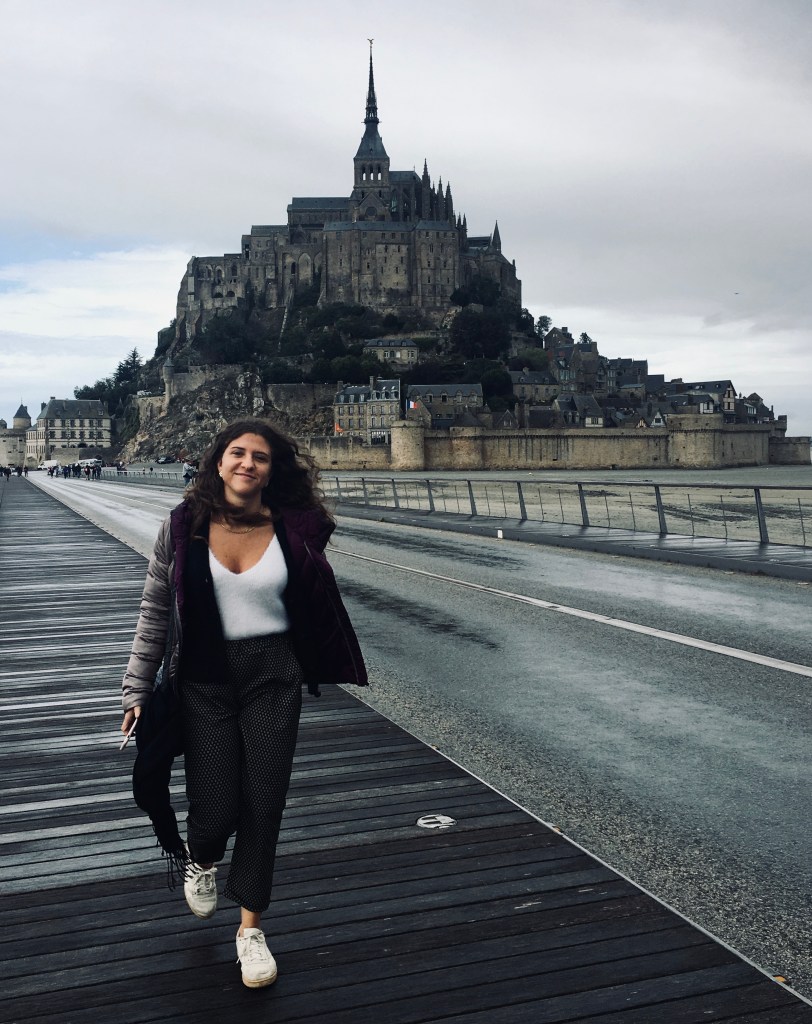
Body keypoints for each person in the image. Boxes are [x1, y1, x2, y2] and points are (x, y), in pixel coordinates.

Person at [120, 419, 366, 988]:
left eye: (260, 457)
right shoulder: (183, 526)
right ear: (218, 460)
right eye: (238, 453)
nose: (248, 464)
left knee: (265, 801)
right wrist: (136, 689)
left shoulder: (295, 530)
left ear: (272, 470)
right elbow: (156, 609)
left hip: (273, 675)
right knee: (218, 804)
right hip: (203, 679)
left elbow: (316, 603)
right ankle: (201, 858)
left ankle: (250, 930)